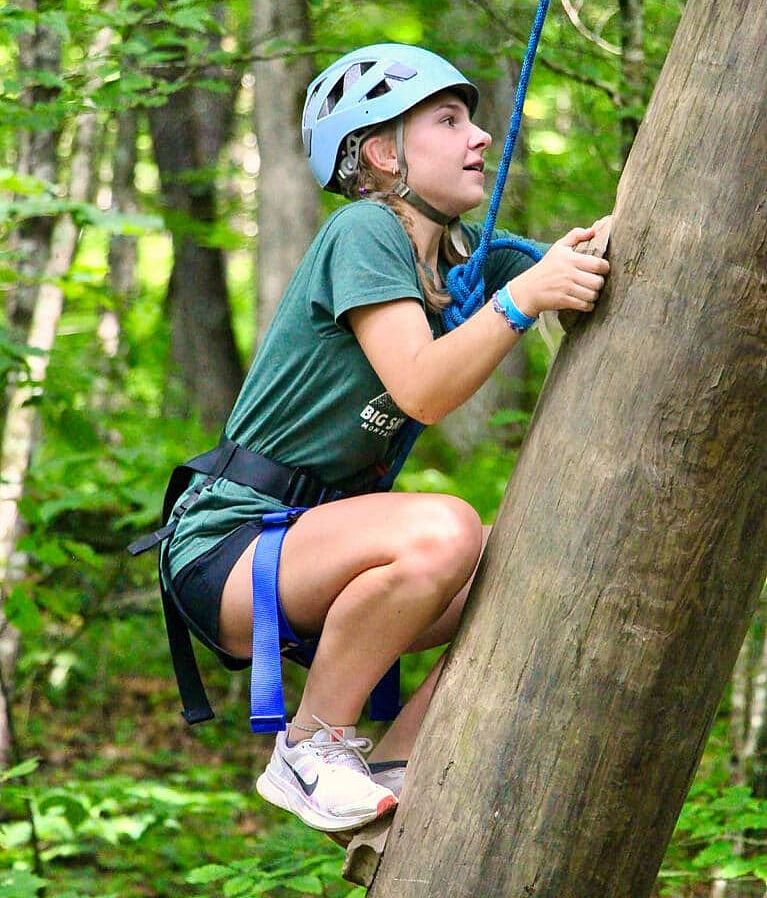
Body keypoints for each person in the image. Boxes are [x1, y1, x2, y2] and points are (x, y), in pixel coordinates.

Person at [161, 42, 610, 835]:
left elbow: (595, 272)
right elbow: (421, 388)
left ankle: (400, 761)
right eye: (447, 120)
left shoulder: (477, 258)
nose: (479, 137)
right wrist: (521, 302)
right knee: (445, 528)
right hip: (232, 540)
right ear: (379, 151)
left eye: (471, 120)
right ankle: (308, 748)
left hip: (318, 544)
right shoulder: (364, 230)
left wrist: (581, 259)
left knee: (533, 571)